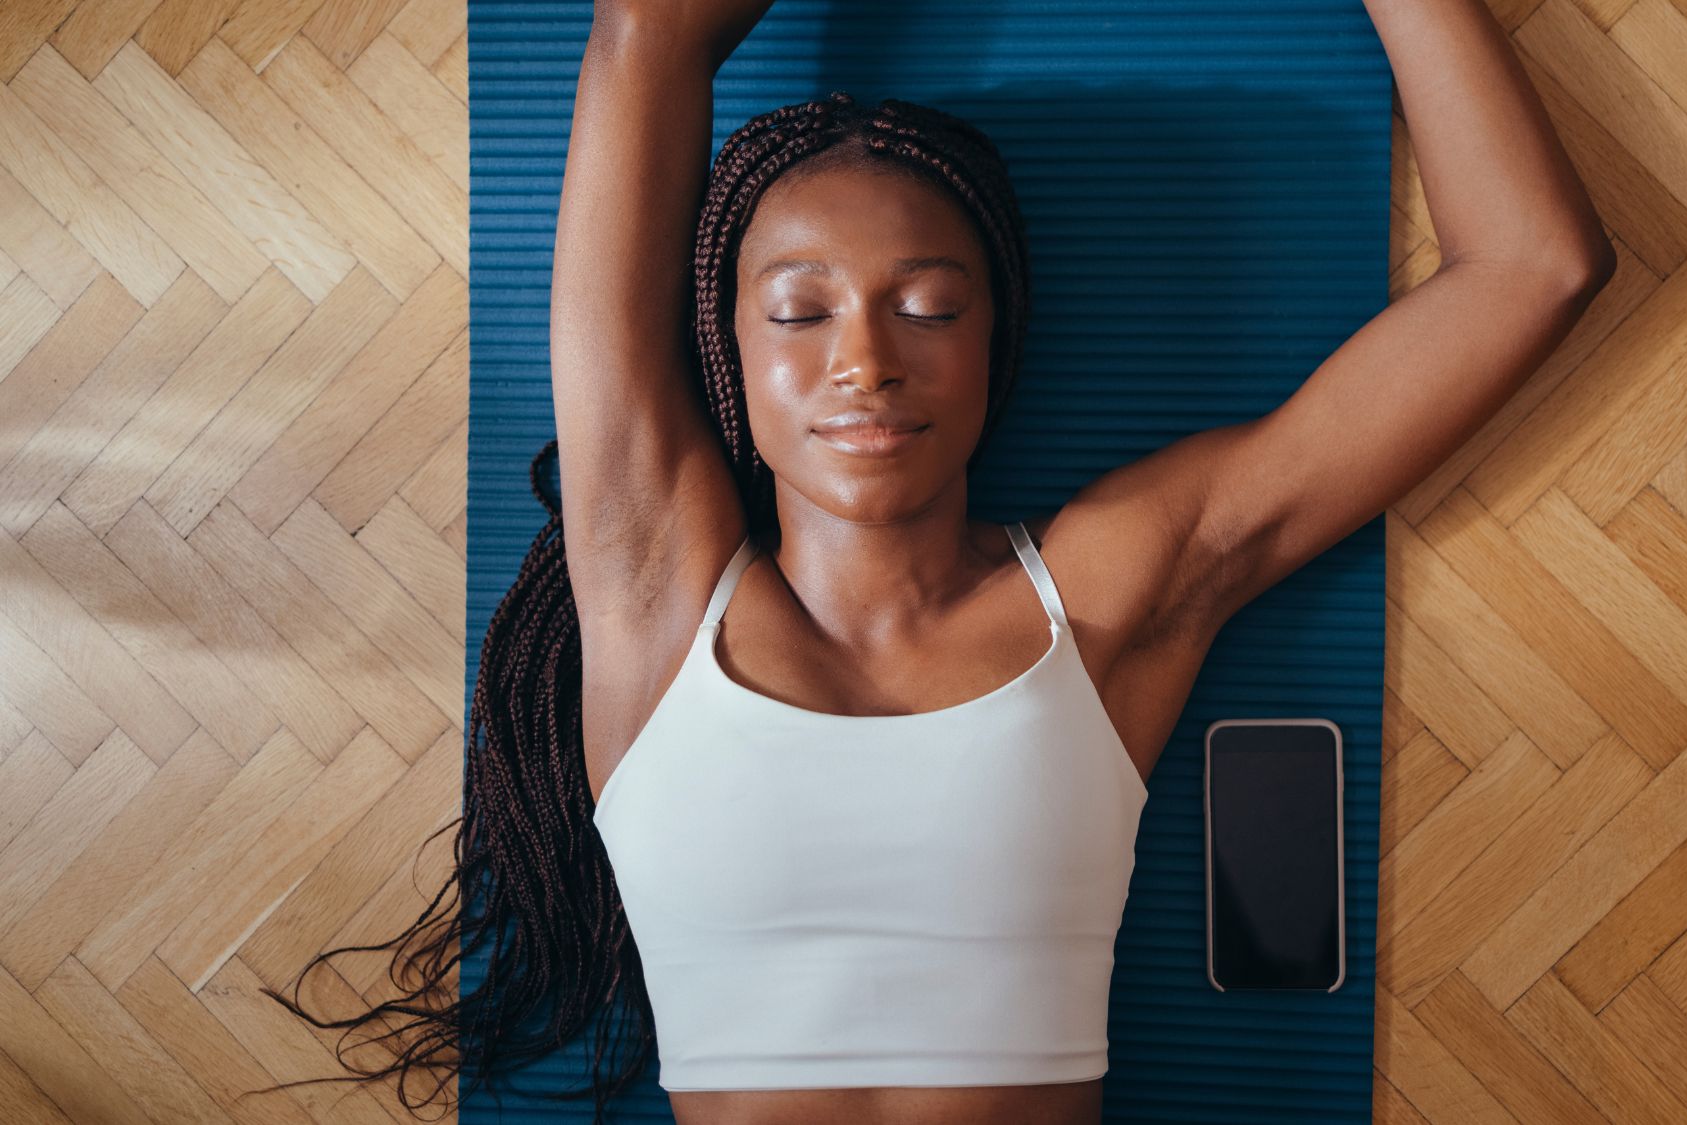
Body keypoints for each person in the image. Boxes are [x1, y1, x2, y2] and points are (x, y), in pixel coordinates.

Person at [254, 0, 1615, 1122]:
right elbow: (646, 33)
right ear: (727, 352)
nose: (865, 358)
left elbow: (1534, 268)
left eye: (928, 304)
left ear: (991, 340)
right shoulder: (655, 594)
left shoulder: (1105, 598)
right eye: (800, 309)